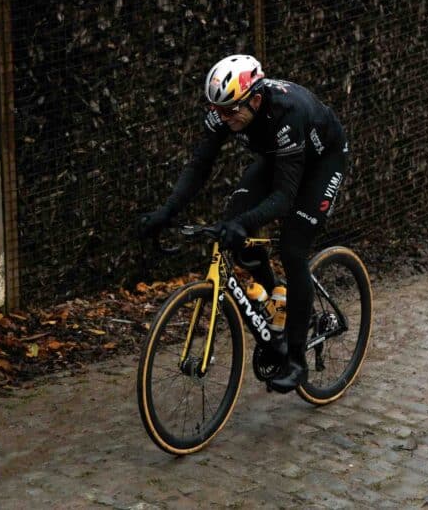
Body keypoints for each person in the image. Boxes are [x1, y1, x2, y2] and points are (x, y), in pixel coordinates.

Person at [139, 54, 349, 393]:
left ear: (254, 98)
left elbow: (283, 197)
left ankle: (296, 360)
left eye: (230, 112)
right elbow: (199, 166)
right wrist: (167, 212)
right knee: (232, 227)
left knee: (293, 249)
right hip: (280, 158)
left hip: (323, 160)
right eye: (216, 111)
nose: (223, 119)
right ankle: (275, 292)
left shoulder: (285, 112)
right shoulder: (227, 111)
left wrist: (244, 222)